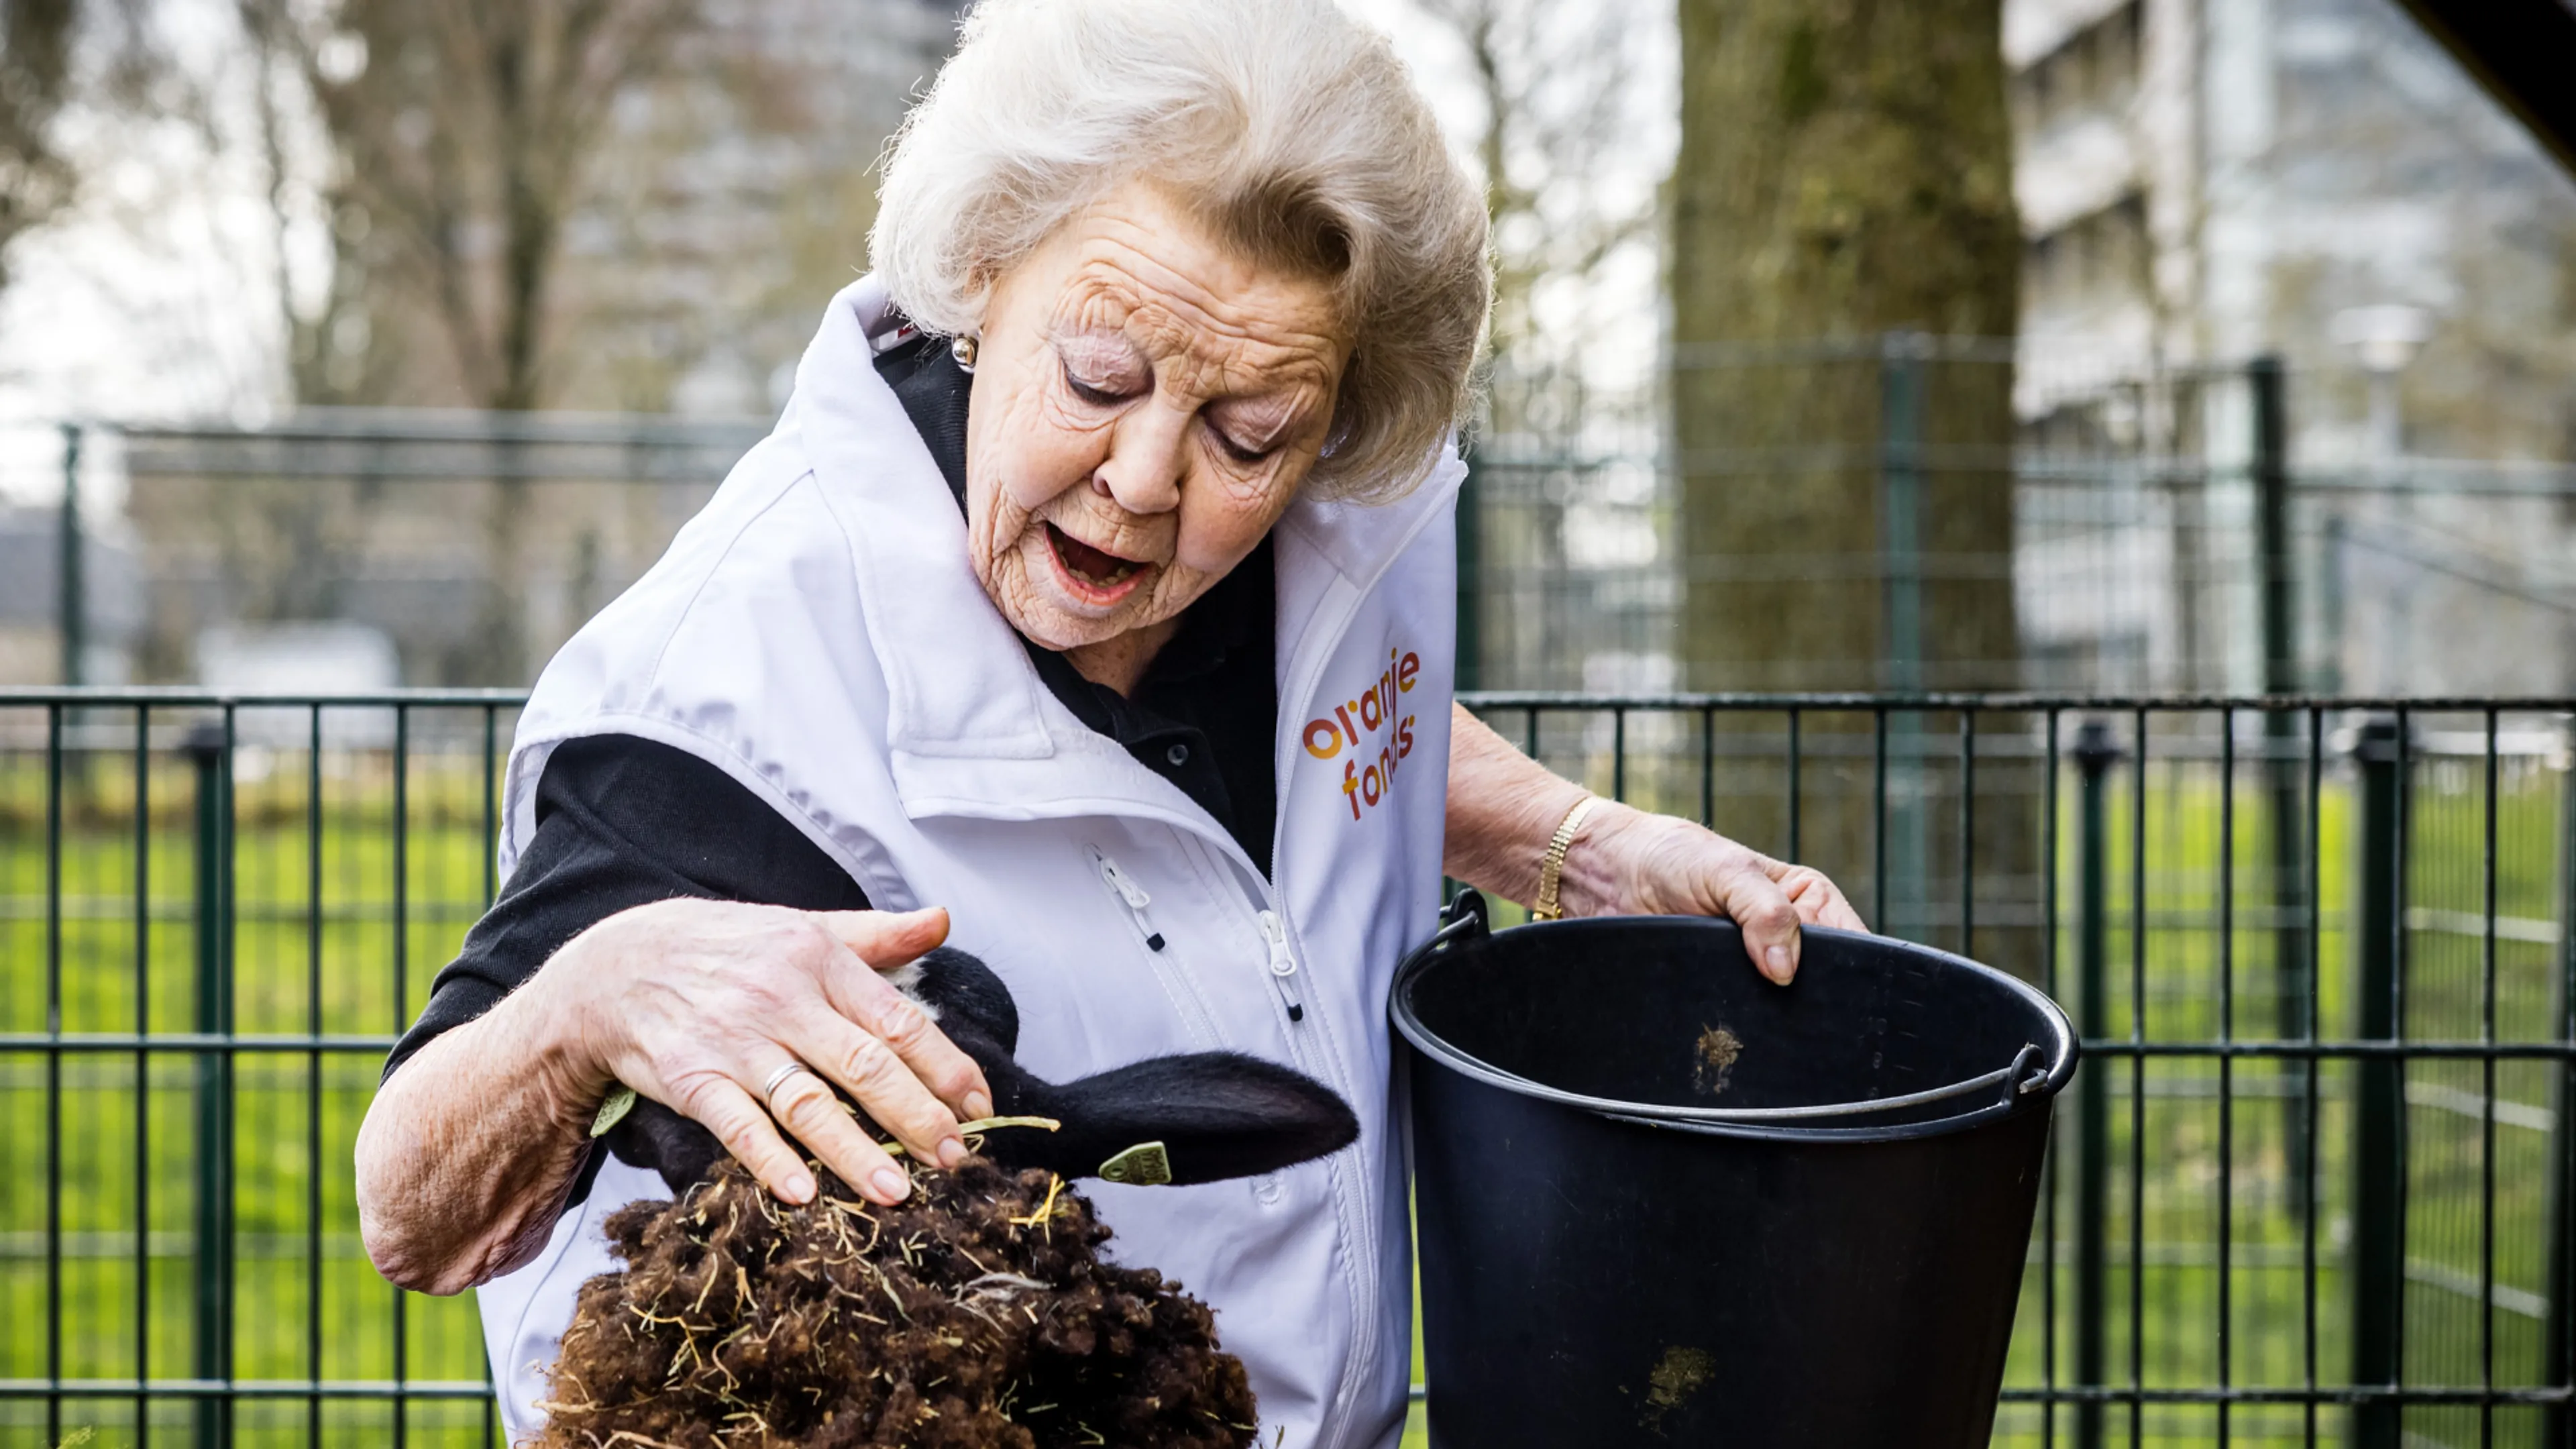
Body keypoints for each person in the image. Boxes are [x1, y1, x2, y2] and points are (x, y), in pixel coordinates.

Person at [352, 2, 1862, 1444]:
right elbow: (407, 1207)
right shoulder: (733, 706)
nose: (1147, 476)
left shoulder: (1316, 536)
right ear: (987, 269)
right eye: (1100, 377)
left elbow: (1328, 720)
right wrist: (593, 997)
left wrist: (1584, 849)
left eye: (1247, 432)